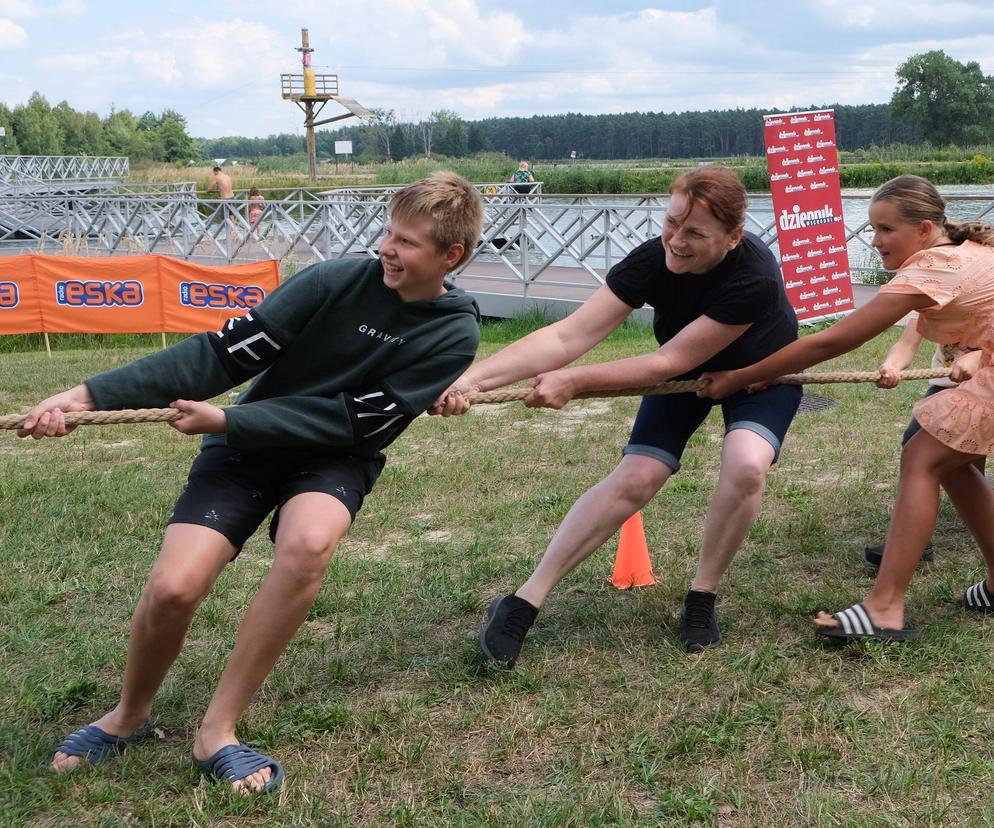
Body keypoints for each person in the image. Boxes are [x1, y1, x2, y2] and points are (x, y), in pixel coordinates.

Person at [18, 171, 484, 792]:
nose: (385, 249)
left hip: (335, 454)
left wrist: (231, 418)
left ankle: (218, 730)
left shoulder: (455, 332)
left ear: (450, 255)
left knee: (310, 543)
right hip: (246, 444)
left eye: (406, 242)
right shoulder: (329, 282)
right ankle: (128, 717)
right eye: (387, 233)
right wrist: (86, 394)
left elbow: (353, 420)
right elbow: (223, 354)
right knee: (175, 587)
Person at [432, 165, 802, 662]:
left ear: (734, 237)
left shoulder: (753, 276)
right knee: (637, 476)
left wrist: (575, 379)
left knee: (745, 463)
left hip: (761, 374)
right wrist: (469, 381)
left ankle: (702, 595)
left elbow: (669, 361)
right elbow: (568, 335)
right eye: (671, 223)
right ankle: (523, 601)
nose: (676, 240)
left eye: (695, 232)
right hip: (683, 379)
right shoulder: (652, 259)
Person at [700, 174, 994, 642]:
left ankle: (884, 608)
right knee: (951, 464)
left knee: (922, 457)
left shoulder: (935, 266)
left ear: (923, 229)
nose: (873, 241)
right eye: (872, 228)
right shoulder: (967, 254)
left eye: (885, 229)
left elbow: (834, 340)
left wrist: (743, 375)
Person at [863, 324, 984, 567]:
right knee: (915, 441)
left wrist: (982, 355)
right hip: (946, 387)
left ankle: (978, 506)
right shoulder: (934, 293)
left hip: (986, 389)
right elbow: (907, 343)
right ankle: (913, 542)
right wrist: (892, 365)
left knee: (970, 458)